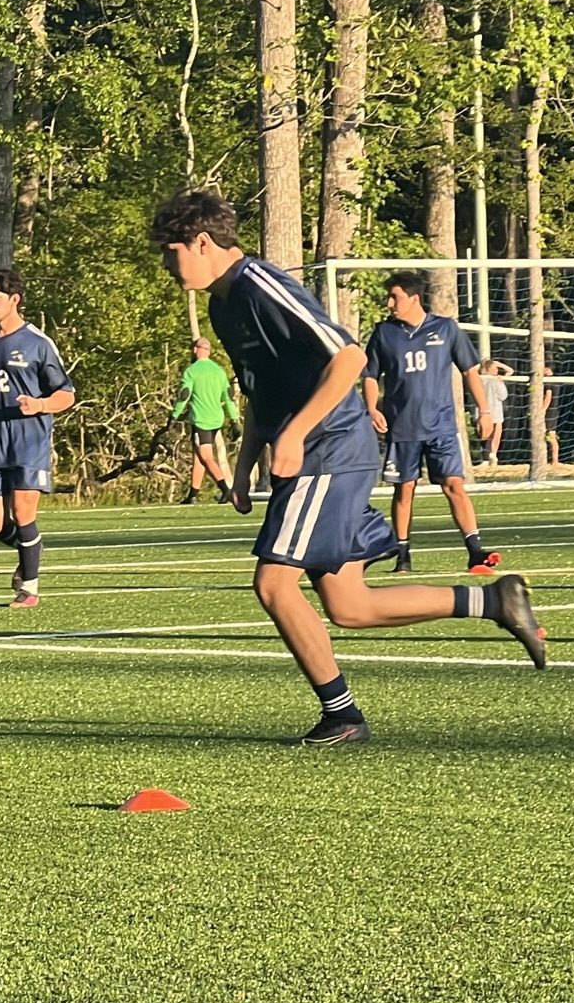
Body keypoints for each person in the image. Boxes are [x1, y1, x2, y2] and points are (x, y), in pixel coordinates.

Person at [150, 189, 546, 748]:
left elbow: (349, 357)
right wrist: (243, 468)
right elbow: (264, 392)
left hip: (330, 449)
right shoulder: (222, 303)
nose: (168, 265)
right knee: (350, 605)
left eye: (171, 252)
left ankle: (342, 715)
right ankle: (492, 600)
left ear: (202, 242)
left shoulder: (260, 285)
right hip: (316, 452)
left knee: (274, 584)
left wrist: (294, 434)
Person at [362, 270, 502, 576]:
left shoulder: (445, 328)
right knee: (404, 490)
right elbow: (370, 375)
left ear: (414, 299)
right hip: (402, 428)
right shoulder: (384, 333)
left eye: (395, 297)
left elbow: (470, 370)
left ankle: (475, 551)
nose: (389, 303)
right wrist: (372, 408)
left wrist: (484, 411)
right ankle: (402, 555)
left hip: (441, 426)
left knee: (454, 485)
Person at [0, 268, 75, 608]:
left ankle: (30, 589)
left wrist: (39, 404)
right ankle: (31, 549)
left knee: (24, 514)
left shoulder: (38, 343)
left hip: (29, 440)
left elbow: (66, 395)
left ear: (15, 300)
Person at [171, 336, 239, 503]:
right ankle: (192, 495)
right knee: (199, 456)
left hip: (201, 420)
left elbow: (184, 396)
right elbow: (229, 398)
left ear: (195, 350)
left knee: (206, 456)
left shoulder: (191, 371)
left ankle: (226, 490)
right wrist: (235, 420)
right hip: (216, 419)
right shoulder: (219, 371)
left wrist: (174, 416)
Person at [477, 360, 512, 469]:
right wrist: (500, 365)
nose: (497, 370)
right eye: (494, 368)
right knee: (494, 434)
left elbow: (510, 371)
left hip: (482, 410)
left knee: (485, 434)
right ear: (488, 369)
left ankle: (486, 458)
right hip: (494, 409)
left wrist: (497, 364)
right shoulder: (495, 381)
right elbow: (503, 395)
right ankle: (493, 455)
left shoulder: (479, 378)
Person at [543, 366, 560, 471]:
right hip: (553, 411)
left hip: (550, 412)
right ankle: (553, 460)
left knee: (551, 436)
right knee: (549, 436)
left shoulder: (548, 382)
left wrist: (543, 409)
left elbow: (548, 397)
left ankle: (555, 461)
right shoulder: (554, 382)